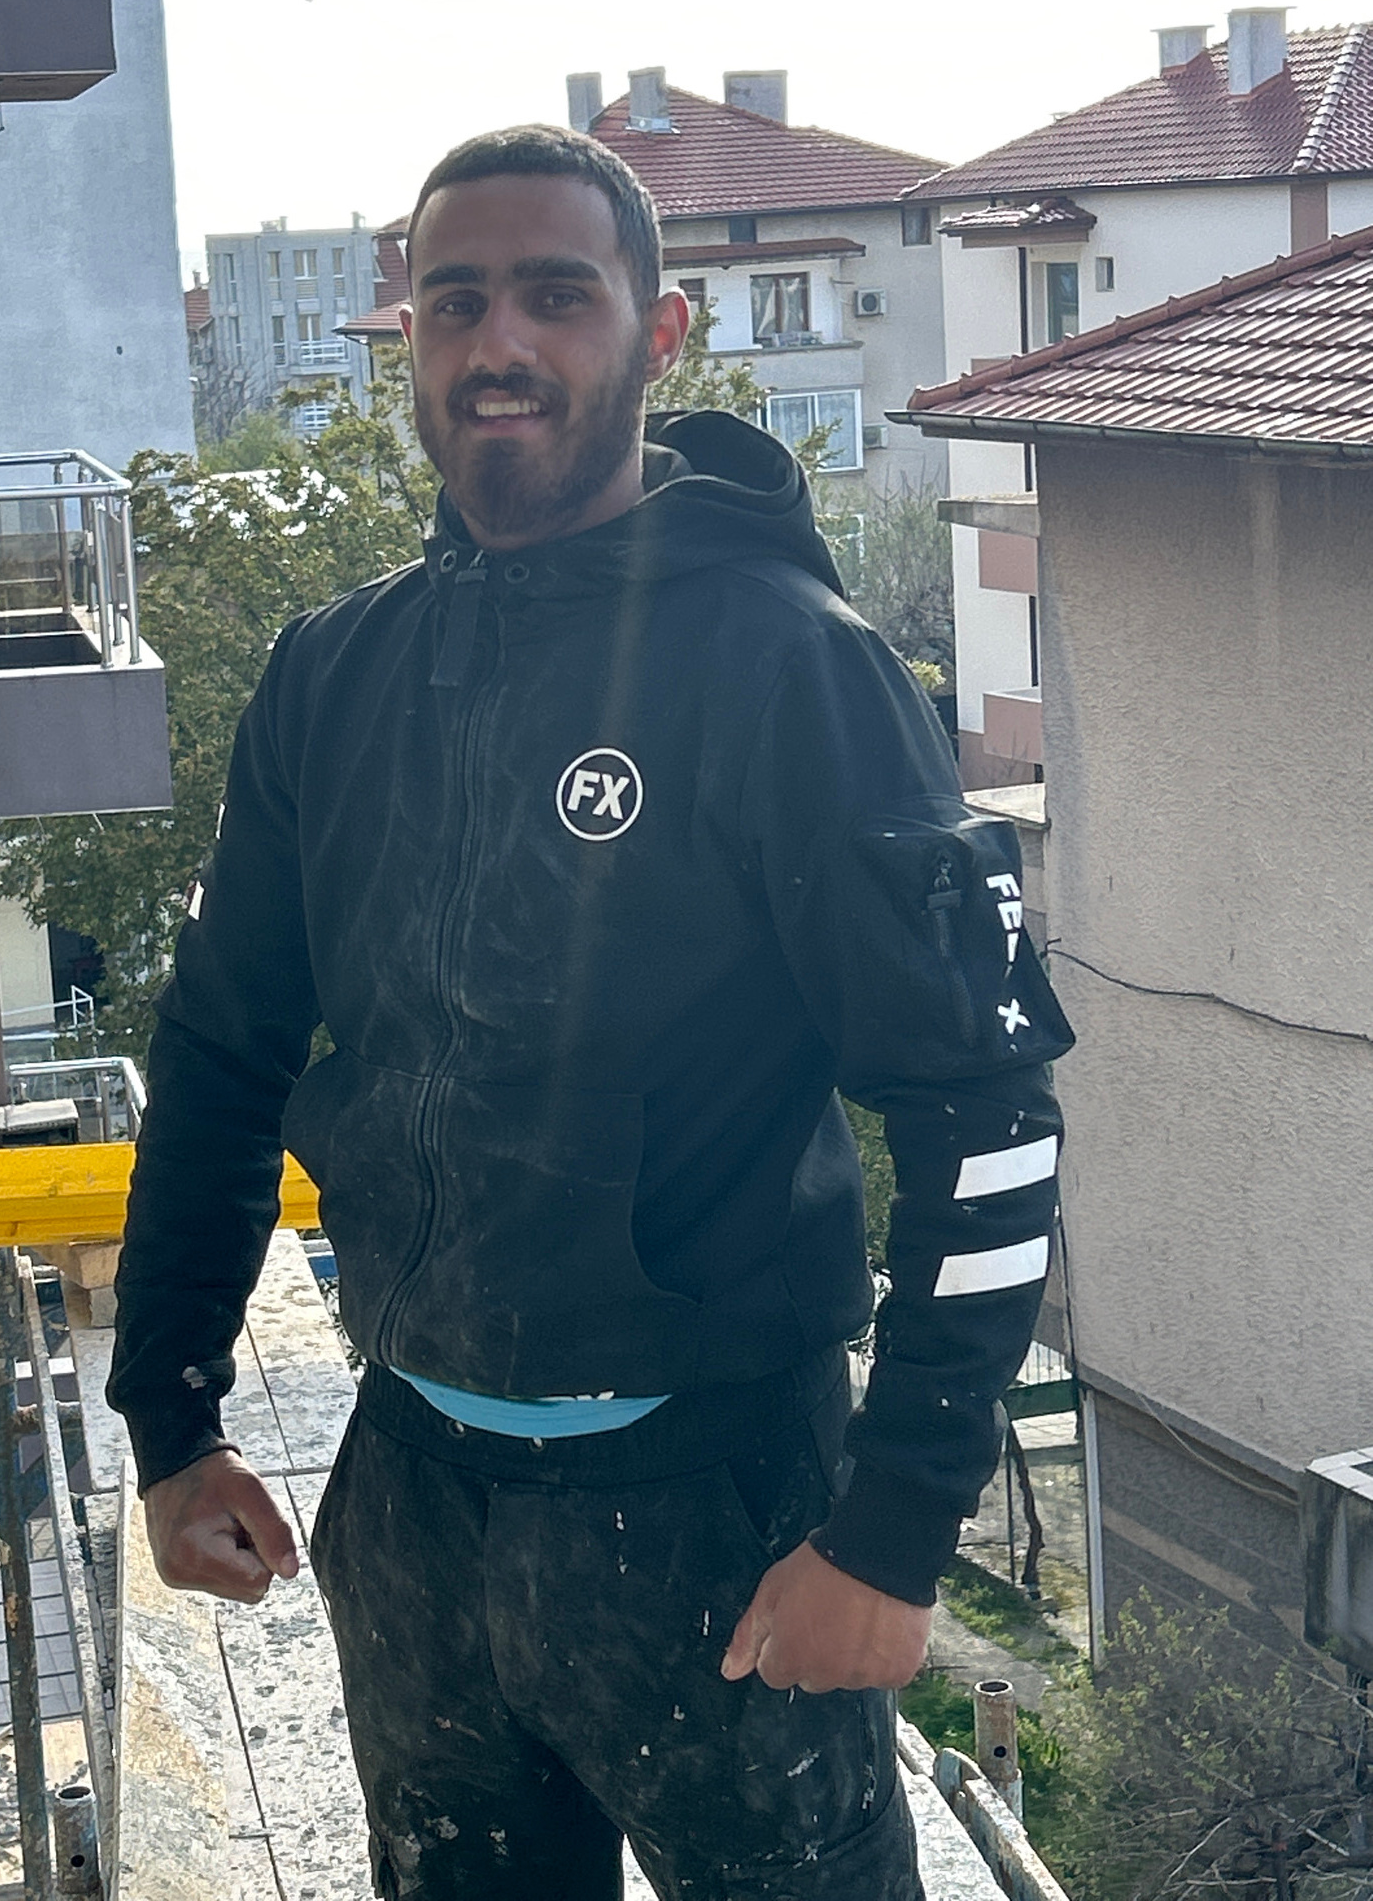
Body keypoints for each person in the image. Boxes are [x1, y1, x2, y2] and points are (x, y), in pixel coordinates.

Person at [109, 124, 1072, 1900]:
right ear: (408, 335)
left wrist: (896, 1532)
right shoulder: (334, 673)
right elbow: (223, 1058)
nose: (501, 344)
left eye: (558, 296)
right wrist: (171, 1417)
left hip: (721, 1508)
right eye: (456, 301)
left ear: (660, 330)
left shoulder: (793, 666)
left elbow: (987, 1116)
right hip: (411, 1502)